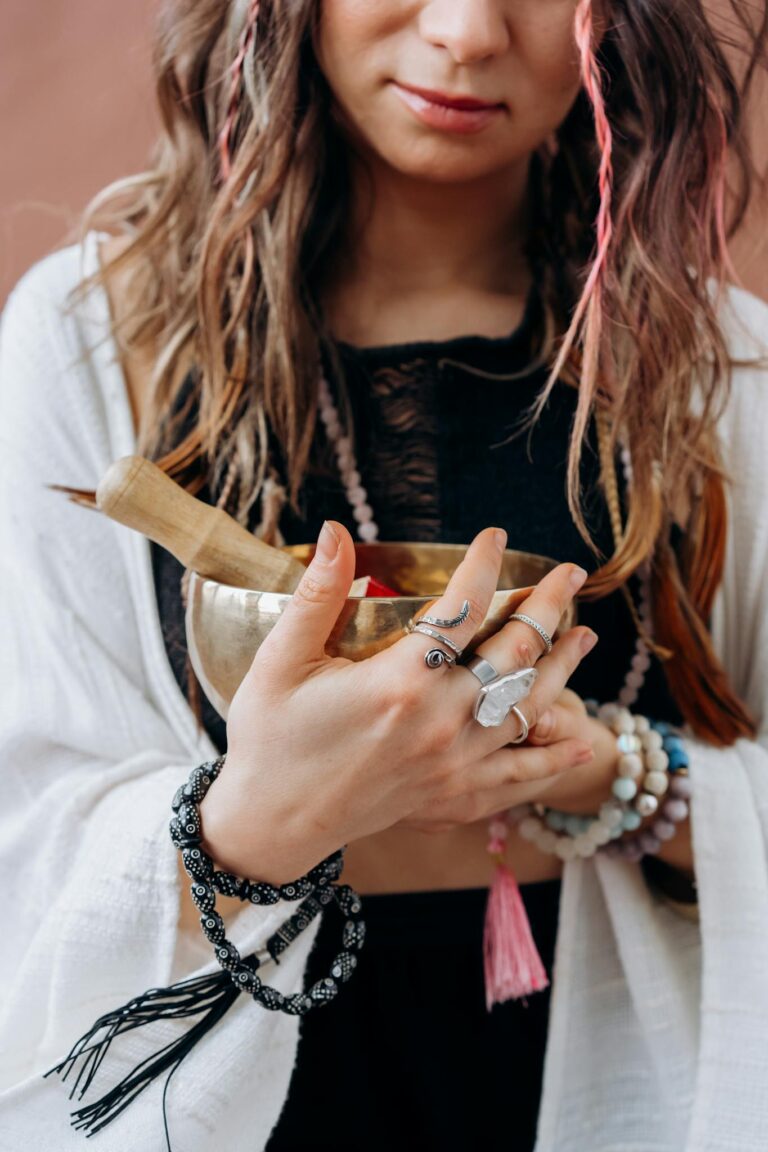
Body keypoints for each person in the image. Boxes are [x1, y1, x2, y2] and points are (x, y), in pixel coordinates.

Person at [1, 1, 767, 1149]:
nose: (464, 31)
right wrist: (263, 816)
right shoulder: (92, 337)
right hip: (240, 1087)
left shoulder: (719, 368)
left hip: (605, 1078)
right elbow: (27, 820)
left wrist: (606, 774)